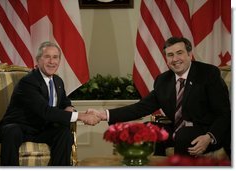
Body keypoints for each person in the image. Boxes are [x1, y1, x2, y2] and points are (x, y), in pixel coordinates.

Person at [88, 36, 231, 158]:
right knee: (148, 129)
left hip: (208, 131)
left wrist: (210, 136)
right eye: (170, 55)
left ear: (189, 54)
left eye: (179, 53)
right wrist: (102, 115)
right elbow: (141, 107)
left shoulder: (208, 73)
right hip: (178, 130)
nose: (175, 59)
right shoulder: (163, 80)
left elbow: (224, 113)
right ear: (166, 59)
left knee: (183, 135)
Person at [0, 41, 100, 166]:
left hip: (41, 129)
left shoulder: (58, 81)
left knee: (64, 134)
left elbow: (65, 102)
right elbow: (45, 111)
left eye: (55, 57)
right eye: (47, 57)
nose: (52, 61)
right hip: (20, 127)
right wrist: (81, 116)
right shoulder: (28, 82)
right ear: (38, 60)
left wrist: (69, 107)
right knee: (12, 131)